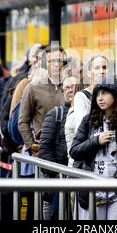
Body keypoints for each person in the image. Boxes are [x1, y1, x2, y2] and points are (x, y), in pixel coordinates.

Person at [70, 76, 117, 220]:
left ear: (115, 94)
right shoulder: (88, 120)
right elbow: (74, 151)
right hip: (93, 189)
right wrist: (96, 141)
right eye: (98, 94)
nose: (100, 98)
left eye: (105, 93)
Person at [39, 76, 78, 220]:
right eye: (66, 88)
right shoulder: (55, 114)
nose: (70, 90)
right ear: (62, 92)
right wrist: (58, 173)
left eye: (74, 86)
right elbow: (44, 148)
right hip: (58, 179)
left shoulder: (87, 113)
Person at [18, 45, 66, 155]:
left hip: (66, 150)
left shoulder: (70, 86)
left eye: (59, 60)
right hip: (44, 150)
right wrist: (32, 147)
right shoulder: (33, 87)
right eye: (51, 61)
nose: (55, 65)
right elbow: (23, 121)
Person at [72, 55, 109, 140]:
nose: (102, 71)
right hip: (90, 145)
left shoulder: (114, 95)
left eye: (104, 67)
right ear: (89, 73)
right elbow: (82, 128)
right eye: (97, 68)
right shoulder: (81, 97)